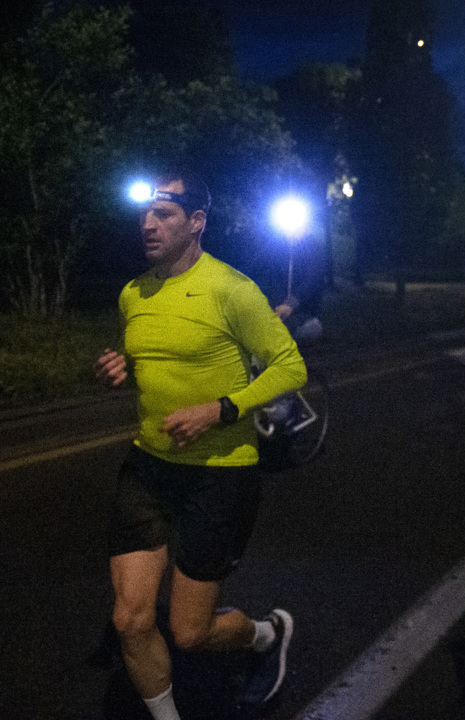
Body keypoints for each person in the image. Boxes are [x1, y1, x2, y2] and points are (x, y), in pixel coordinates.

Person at [94, 170, 307, 719]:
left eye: (163, 214)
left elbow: (291, 367)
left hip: (220, 472)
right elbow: (156, 365)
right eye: (145, 215)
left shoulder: (231, 289)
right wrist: (123, 370)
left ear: (196, 222)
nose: (148, 224)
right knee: (130, 620)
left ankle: (266, 635)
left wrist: (220, 410)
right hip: (148, 468)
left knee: (189, 633)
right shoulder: (134, 293)